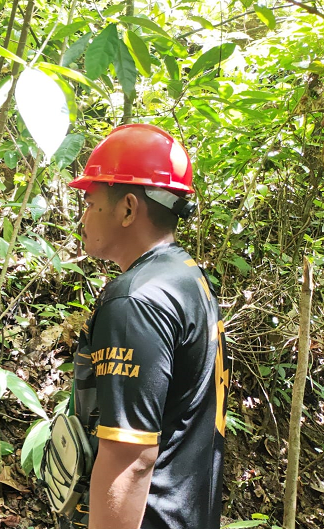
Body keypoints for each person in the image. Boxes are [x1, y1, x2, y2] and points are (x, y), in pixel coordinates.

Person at [67, 124, 230, 529]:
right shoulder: (187, 275)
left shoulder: (134, 301)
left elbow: (131, 460)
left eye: (90, 202)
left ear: (126, 208)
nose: (83, 215)